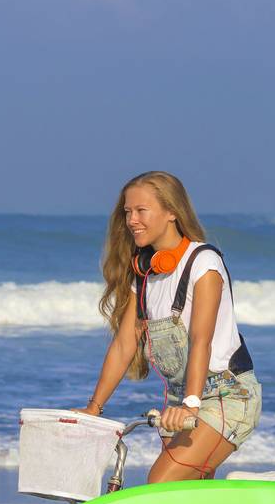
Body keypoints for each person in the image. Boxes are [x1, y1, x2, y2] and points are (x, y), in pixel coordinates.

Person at [76, 171, 262, 483]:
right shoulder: (145, 274)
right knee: (190, 495)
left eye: (140, 211)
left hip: (226, 396)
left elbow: (202, 341)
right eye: (126, 212)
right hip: (179, 400)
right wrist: (94, 408)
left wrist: (191, 405)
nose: (131, 220)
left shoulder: (204, 263)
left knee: (162, 482)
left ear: (172, 212)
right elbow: (124, 346)